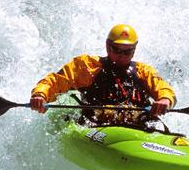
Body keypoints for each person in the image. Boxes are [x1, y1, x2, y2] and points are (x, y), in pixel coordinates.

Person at [30, 24, 176, 125]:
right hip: (96, 125)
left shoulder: (144, 71)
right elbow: (55, 81)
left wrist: (165, 100)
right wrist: (40, 95)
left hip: (139, 126)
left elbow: (163, 88)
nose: (121, 56)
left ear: (134, 50)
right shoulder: (87, 66)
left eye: (127, 52)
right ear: (107, 46)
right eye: (116, 50)